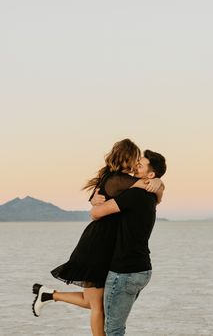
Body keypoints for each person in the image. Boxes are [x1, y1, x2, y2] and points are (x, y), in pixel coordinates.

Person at [32, 139, 163, 336]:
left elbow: (149, 192)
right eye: (136, 159)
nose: (136, 164)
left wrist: (157, 182)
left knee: (96, 302)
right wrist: (158, 182)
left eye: (140, 162)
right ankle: (49, 295)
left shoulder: (115, 179)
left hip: (106, 247)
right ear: (126, 158)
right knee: (98, 307)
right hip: (97, 245)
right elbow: (148, 189)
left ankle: (49, 295)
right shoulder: (119, 180)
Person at [90, 150, 167, 336]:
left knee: (114, 329)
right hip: (142, 270)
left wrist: (95, 203)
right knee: (114, 322)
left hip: (124, 271)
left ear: (150, 174)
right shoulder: (150, 197)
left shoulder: (134, 195)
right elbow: (158, 191)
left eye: (139, 166)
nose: (134, 167)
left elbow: (96, 214)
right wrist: (159, 184)